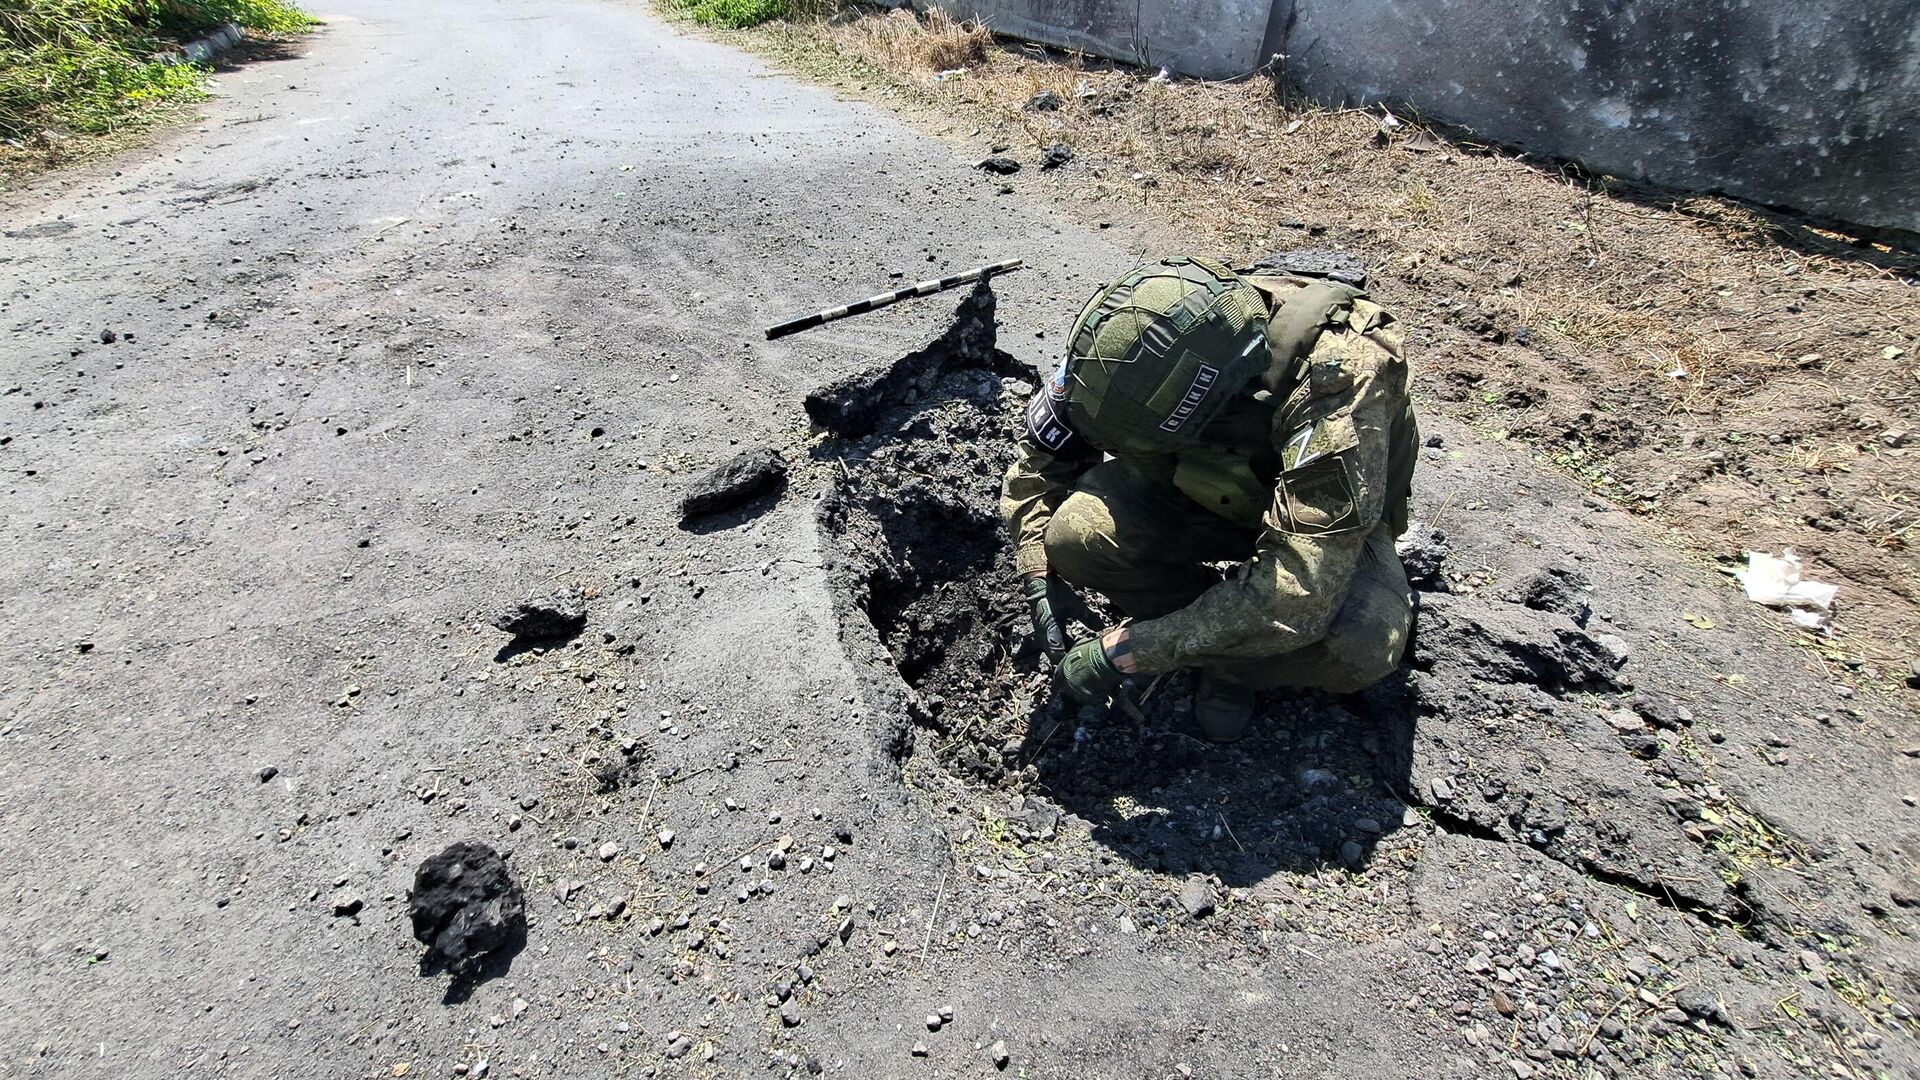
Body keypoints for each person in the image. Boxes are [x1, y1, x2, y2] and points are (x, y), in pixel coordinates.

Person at [1000, 255, 1419, 742]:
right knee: (1076, 536)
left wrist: (1131, 650)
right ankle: (1218, 625)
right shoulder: (1138, 338)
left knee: (1364, 642)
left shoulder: (1338, 383)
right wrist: (1036, 569)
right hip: (1202, 487)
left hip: (1324, 521)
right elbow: (1039, 458)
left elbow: (1297, 591)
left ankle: (1234, 667)